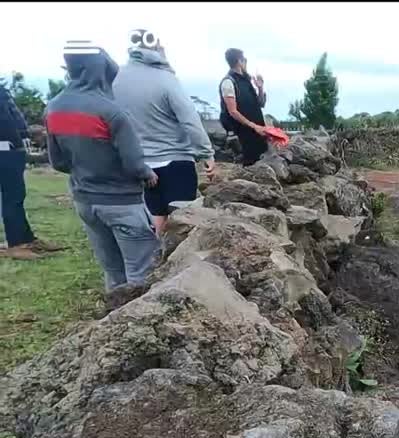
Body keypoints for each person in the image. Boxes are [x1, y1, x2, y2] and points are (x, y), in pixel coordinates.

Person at [45, 40, 161, 291]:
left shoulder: (53, 109)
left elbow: (58, 162)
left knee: (113, 271)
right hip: (123, 204)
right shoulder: (112, 112)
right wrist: (147, 173)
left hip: (86, 202)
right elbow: (133, 164)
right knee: (142, 273)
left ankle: (114, 320)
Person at [113, 29, 215, 234]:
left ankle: (155, 259)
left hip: (139, 163)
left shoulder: (115, 79)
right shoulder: (166, 79)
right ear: (158, 47)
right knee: (183, 223)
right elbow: (189, 120)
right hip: (174, 161)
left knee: (155, 217)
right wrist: (206, 153)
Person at [0, 82, 64, 259]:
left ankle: (26, 239)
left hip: (11, 148)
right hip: (5, 149)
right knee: (11, 199)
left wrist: (24, 135)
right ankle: (16, 245)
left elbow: (11, 116)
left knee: (16, 197)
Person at [219, 48, 268, 166]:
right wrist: (254, 126)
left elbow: (260, 104)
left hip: (258, 132)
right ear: (239, 61)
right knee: (249, 165)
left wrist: (260, 88)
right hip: (243, 135)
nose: (246, 62)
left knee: (261, 163)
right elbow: (233, 112)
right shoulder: (228, 82)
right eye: (244, 60)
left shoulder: (247, 80)